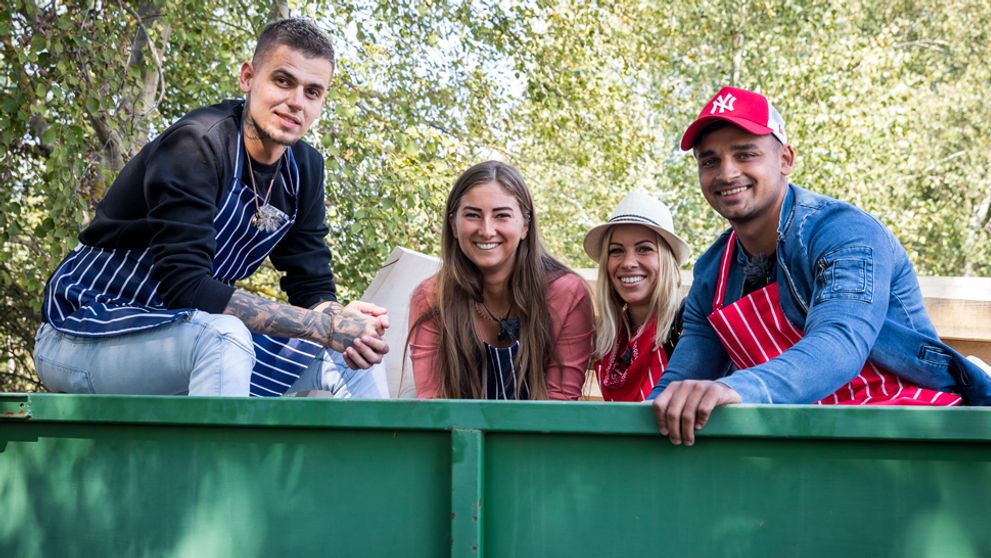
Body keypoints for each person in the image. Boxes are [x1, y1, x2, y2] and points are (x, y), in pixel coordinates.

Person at [34, 18, 390, 398]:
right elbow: (185, 285)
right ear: (248, 77)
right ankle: (216, 460)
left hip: (185, 333)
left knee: (349, 357)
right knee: (226, 336)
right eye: (283, 81)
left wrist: (338, 318)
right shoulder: (198, 145)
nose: (296, 102)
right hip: (85, 327)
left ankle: (387, 458)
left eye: (313, 91)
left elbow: (311, 283)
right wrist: (321, 326)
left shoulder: (304, 170)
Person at [650, 86, 991, 444]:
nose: (726, 172)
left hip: (908, 434)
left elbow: (840, 342)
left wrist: (736, 389)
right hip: (800, 442)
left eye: (745, 154)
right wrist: (646, 417)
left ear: (785, 159)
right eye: (710, 161)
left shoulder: (845, 233)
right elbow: (682, 375)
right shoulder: (713, 271)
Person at [407, 161, 594, 399]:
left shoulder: (565, 292)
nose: (486, 230)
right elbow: (434, 403)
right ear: (454, 225)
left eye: (502, 215)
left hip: (541, 433)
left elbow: (559, 407)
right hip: (458, 433)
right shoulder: (432, 297)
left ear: (525, 225)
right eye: (473, 215)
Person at [582, 192, 691, 401]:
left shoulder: (688, 325)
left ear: (667, 260)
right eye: (616, 251)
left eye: (644, 249)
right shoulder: (609, 340)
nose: (628, 262)